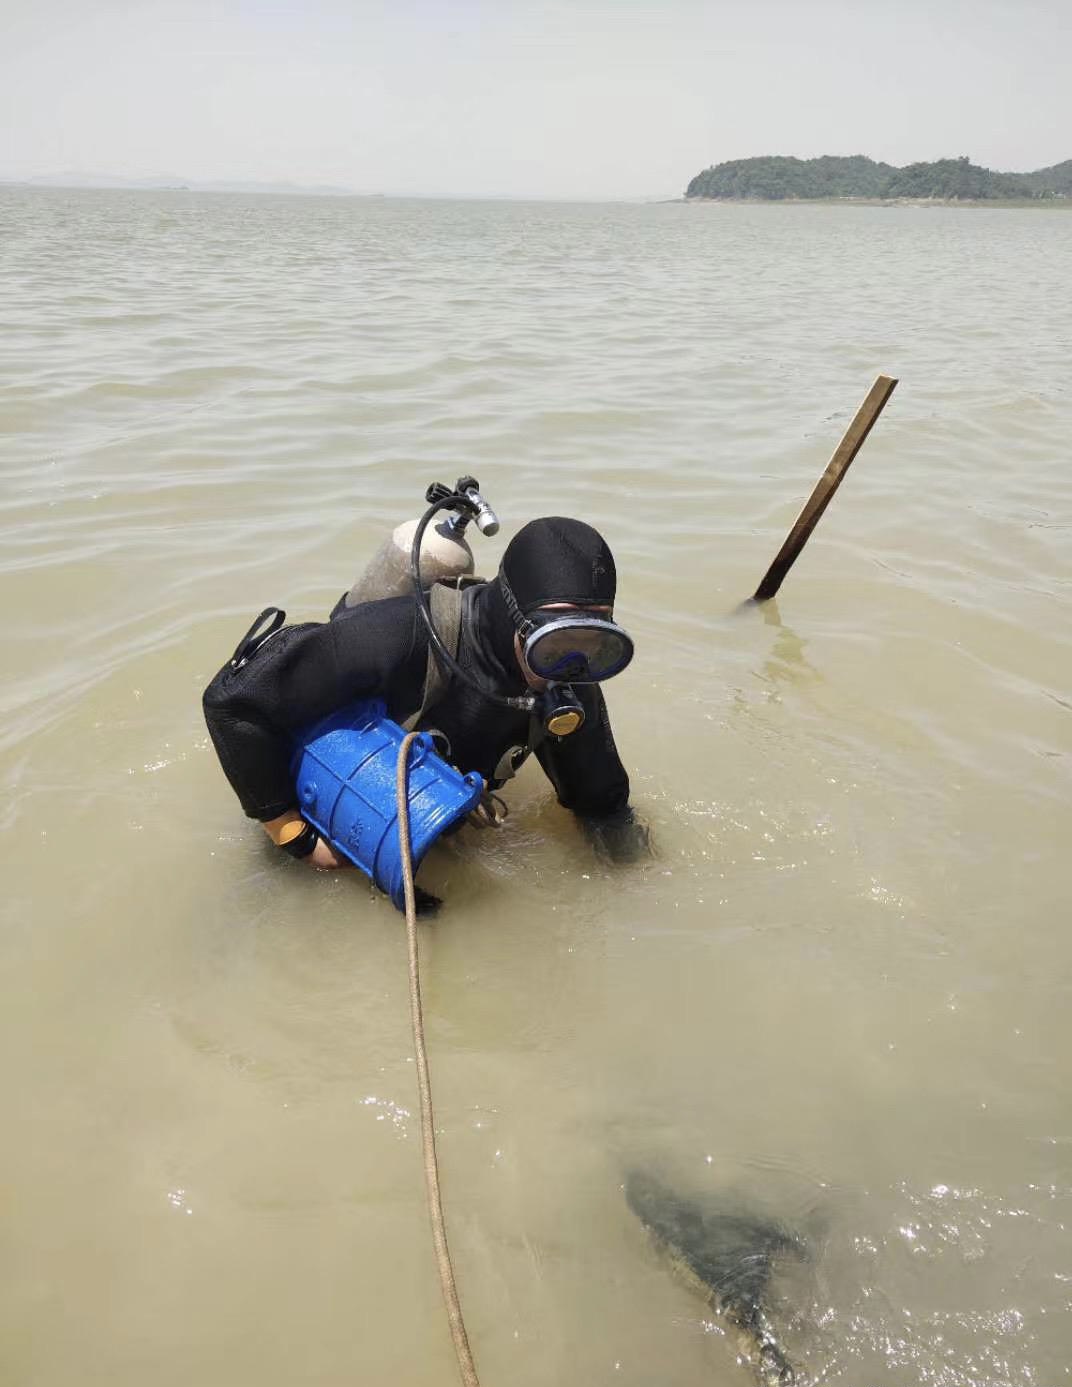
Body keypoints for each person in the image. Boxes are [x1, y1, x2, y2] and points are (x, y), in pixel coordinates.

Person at [202, 516, 648, 904]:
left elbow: (602, 806)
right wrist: (293, 836)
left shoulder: (568, 682)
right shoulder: (402, 636)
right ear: (513, 616)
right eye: (554, 645)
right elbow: (232, 702)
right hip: (321, 816)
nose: (571, 667)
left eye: (596, 646)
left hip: (432, 813)